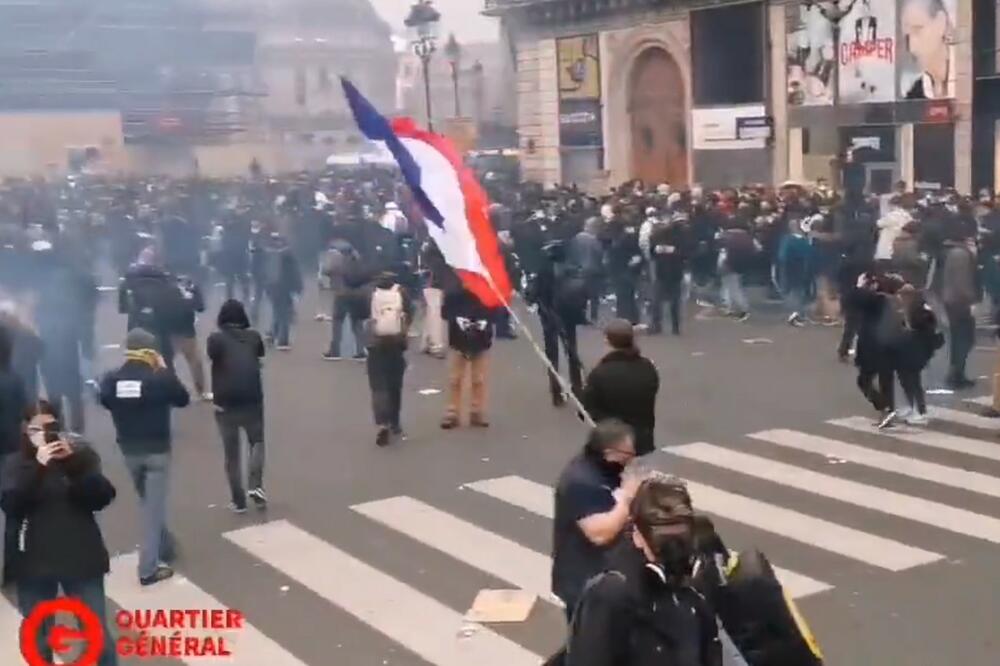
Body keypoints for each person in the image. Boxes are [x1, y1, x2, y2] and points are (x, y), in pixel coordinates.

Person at [1, 401, 118, 666]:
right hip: (34, 562)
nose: (43, 435)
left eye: (50, 427)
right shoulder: (16, 464)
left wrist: (74, 465)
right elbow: (12, 505)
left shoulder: (80, 455)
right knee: (39, 639)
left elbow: (101, 497)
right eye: (35, 429)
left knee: (95, 633)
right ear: (24, 430)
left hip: (79, 557)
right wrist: (38, 468)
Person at [563, 475, 721, 666]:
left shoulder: (697, 581)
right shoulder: (612, 595)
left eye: (681, 535)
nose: (674, 547)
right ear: (637, 535)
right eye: (663, 536)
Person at [99, 328, 189, 585]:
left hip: (129, 451)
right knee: (152, 509)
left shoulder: (111, 379)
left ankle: (165, 544)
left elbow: (104, 400)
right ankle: (148, 568)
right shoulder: (159, 379)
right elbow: (182, 399)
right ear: (151, 353)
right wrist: (163, 370)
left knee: (148, 501)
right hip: (157, 450)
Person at [552, 420, 640, 618]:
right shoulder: (582, 483)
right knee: (590, 639)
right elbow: (600, 534)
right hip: (585, 581)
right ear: (609, 453)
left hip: (604, 574)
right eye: (628, 455)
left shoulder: (603, 471)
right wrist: (627, 498)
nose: (631, 459)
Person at [207, 300, 267, 512]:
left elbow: (212, 356)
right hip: (252, 399)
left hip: (225, 402)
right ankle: (256, 485)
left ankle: (238, 500)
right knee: (257, 442)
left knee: (231, 454)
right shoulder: (254, 337)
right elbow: (260, 355)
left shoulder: (215, 339)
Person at [581, 320, 659, 455]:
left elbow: (588, 410)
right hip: (643, 440)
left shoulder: (600, 373)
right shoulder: (647, 367)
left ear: (607, 341)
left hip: (613, 443)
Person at [365, 271, 414, 447]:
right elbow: (410, 313)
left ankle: (382, 422)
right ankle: (395, 421)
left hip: (375, 345)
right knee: (395, 385)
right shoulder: (402, 292)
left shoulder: (370, 292)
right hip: (396, 344)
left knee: (378, 385)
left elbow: (365, 315)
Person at [440, 289, 495, 429]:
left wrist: (483, 320)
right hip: (459, 339)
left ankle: (476, 410)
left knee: (478, 378)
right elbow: (445, 313)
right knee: (455, 379)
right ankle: (453, 411)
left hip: (480, 339)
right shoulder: (454, 292)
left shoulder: (484, 290)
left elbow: (493, 312)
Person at [0, 326, 27, 583]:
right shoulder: (13, 379)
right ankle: (11, 566)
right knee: (12, 512)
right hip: (9, 450)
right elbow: (23, 413)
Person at [895, 284, 943, 426]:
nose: (902, 298)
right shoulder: (910, 308)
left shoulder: (920, 310)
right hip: (910, 350)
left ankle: (920, 410)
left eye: (904, 295)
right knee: (906, 379)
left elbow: (927, 328)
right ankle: (912, 407)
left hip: (917, 350)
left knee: (912, 381)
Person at [322, 238, 369, 360]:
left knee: (337, 322)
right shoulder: (358, 260)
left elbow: (326, 270)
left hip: (341, 294)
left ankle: (335, 351)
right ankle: (361, 351)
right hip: (358, 295)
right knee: (357, 324)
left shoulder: (336, 260)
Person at [940, 238, 977, 389]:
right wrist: (970, 300)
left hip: (952, 300)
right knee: (964, 339)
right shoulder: (961, 254)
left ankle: (956, 373)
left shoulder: (954, 252)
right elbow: (962, 282)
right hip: (959, 302)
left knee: (959, 339)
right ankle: (956, 375)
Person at [167, 274, 208, 399]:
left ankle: (201, 392)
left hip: (185, 331)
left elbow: (200, 307)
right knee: (166, 363)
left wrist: (194, 293)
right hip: (172, 331)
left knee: (196, 363)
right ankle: (167, 392)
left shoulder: (192, 288)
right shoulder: (168, 290)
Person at [902, 0, 954, 99]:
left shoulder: (973, 78)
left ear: (940, 23)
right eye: (907, 36)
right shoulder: (915, 95)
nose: (912, 47)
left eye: (917, 30)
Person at [261, 232, 303, 350]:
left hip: (272, 287)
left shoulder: (267, 253)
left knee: (277, 312)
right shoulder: (288, 255)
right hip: (284, 288)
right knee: (284, 314)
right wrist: (298, 288)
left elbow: (262, 272)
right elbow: (295, 273)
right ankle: (283, 341)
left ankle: (271, 335)